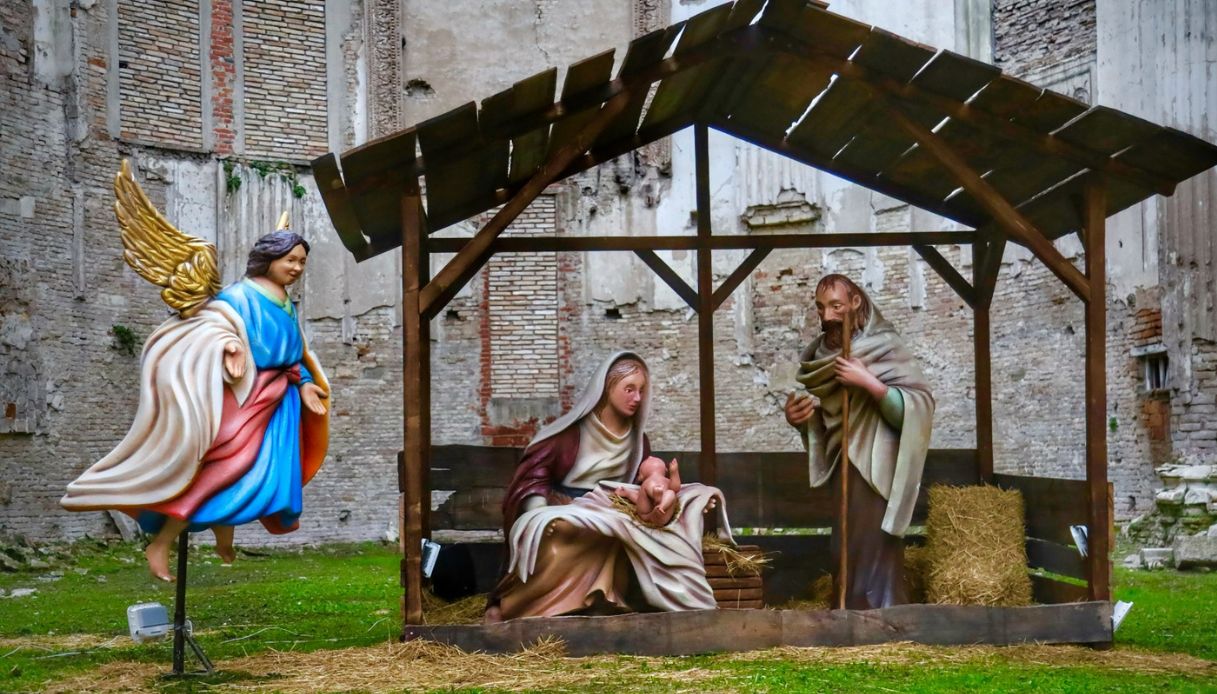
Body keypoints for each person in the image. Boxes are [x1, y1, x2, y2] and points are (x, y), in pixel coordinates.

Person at [61, 232, 330, 582]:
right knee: (225, 466)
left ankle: (223, 532)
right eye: (289, 260)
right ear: (269, 259)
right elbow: (209, 327)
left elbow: (297, 355)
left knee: (254, 474)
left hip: (278, 403)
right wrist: (229, 345)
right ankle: (162, 542)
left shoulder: (286, 304)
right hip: (246, 397)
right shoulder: (239, 296)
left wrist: (307, 384)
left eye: (301, 262)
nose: (296, 268)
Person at [487, 351, 730, 622]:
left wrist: (688, 502)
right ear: (606, 388)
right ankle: (514, 607)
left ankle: (603, 602)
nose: (637, 398)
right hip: (568, 512)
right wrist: (541, 514)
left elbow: (648, 488)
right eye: (629, 389)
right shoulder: (568, 435)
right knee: (587, 535)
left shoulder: (638, 442)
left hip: (616, 514)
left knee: (618, 534)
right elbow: (534, 477)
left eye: (641, 391)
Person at [783, 274, 934, 609]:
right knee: (845, 545)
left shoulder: (885, 346)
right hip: (844, 466)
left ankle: (881, 610)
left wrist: (871, 384)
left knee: (874, 543)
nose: (827, 316)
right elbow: (833, 421)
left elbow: (918, 407)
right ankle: (847, 608)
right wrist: (804, 419)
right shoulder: (822, 355)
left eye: (836, 306)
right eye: (821, 308)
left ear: (855, 303)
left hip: (876, 466)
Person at [614, 456, 681, 527]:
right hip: (653, 517)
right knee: (671, 492)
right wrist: (674, 473)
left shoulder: (647, 483)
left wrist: (628, 493)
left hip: (658, 514)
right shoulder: (666, 482)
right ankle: (658, 501)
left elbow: (639, 500)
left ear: (641, 476)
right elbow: (675, 488)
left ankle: (660, 505)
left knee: (670, 493)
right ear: (666, 470)